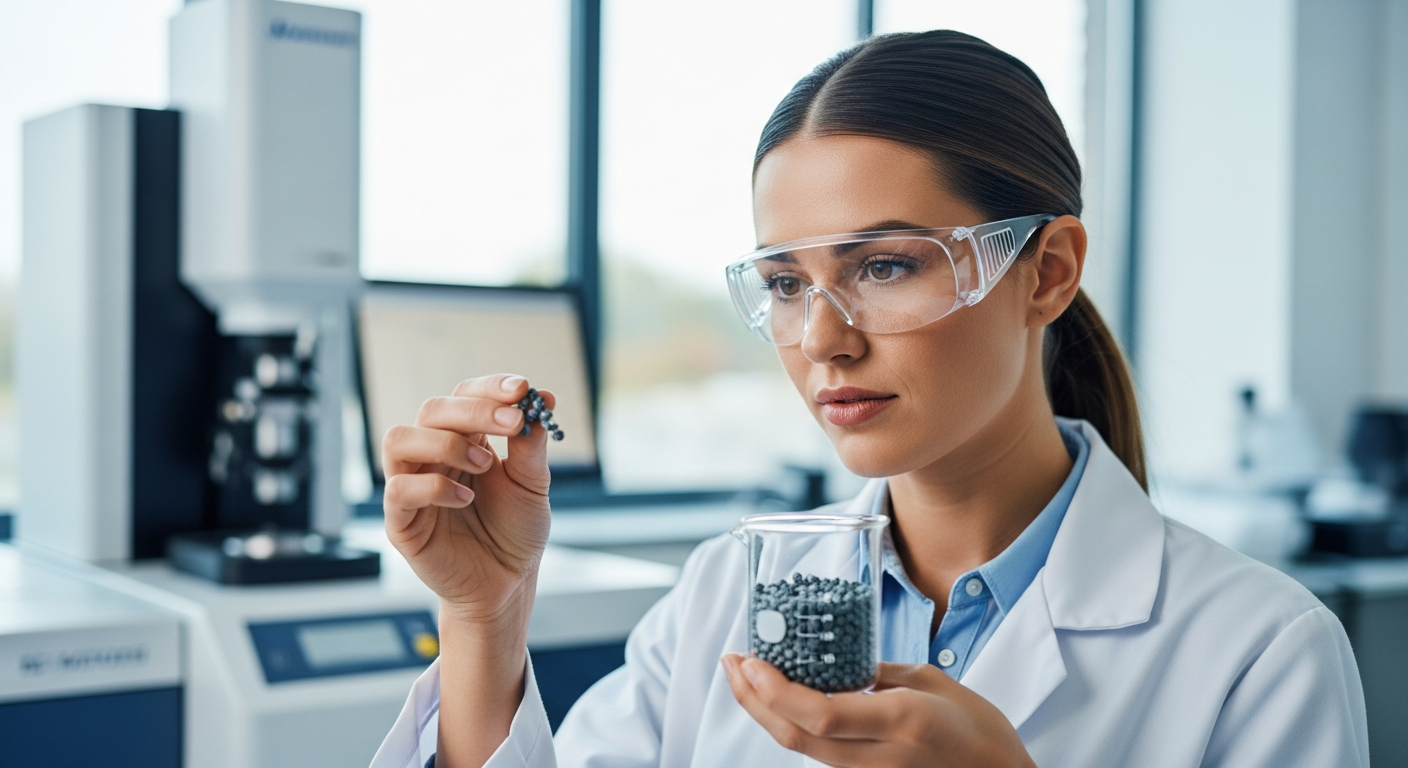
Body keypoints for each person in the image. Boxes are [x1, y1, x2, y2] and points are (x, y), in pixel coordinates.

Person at [371, 30, 1367, 768]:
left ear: (1047, 272)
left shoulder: (1257, 650)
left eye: (886, 266)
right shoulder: (726, 593)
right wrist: (484, 612)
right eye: (786, 283)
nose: (822, 340)